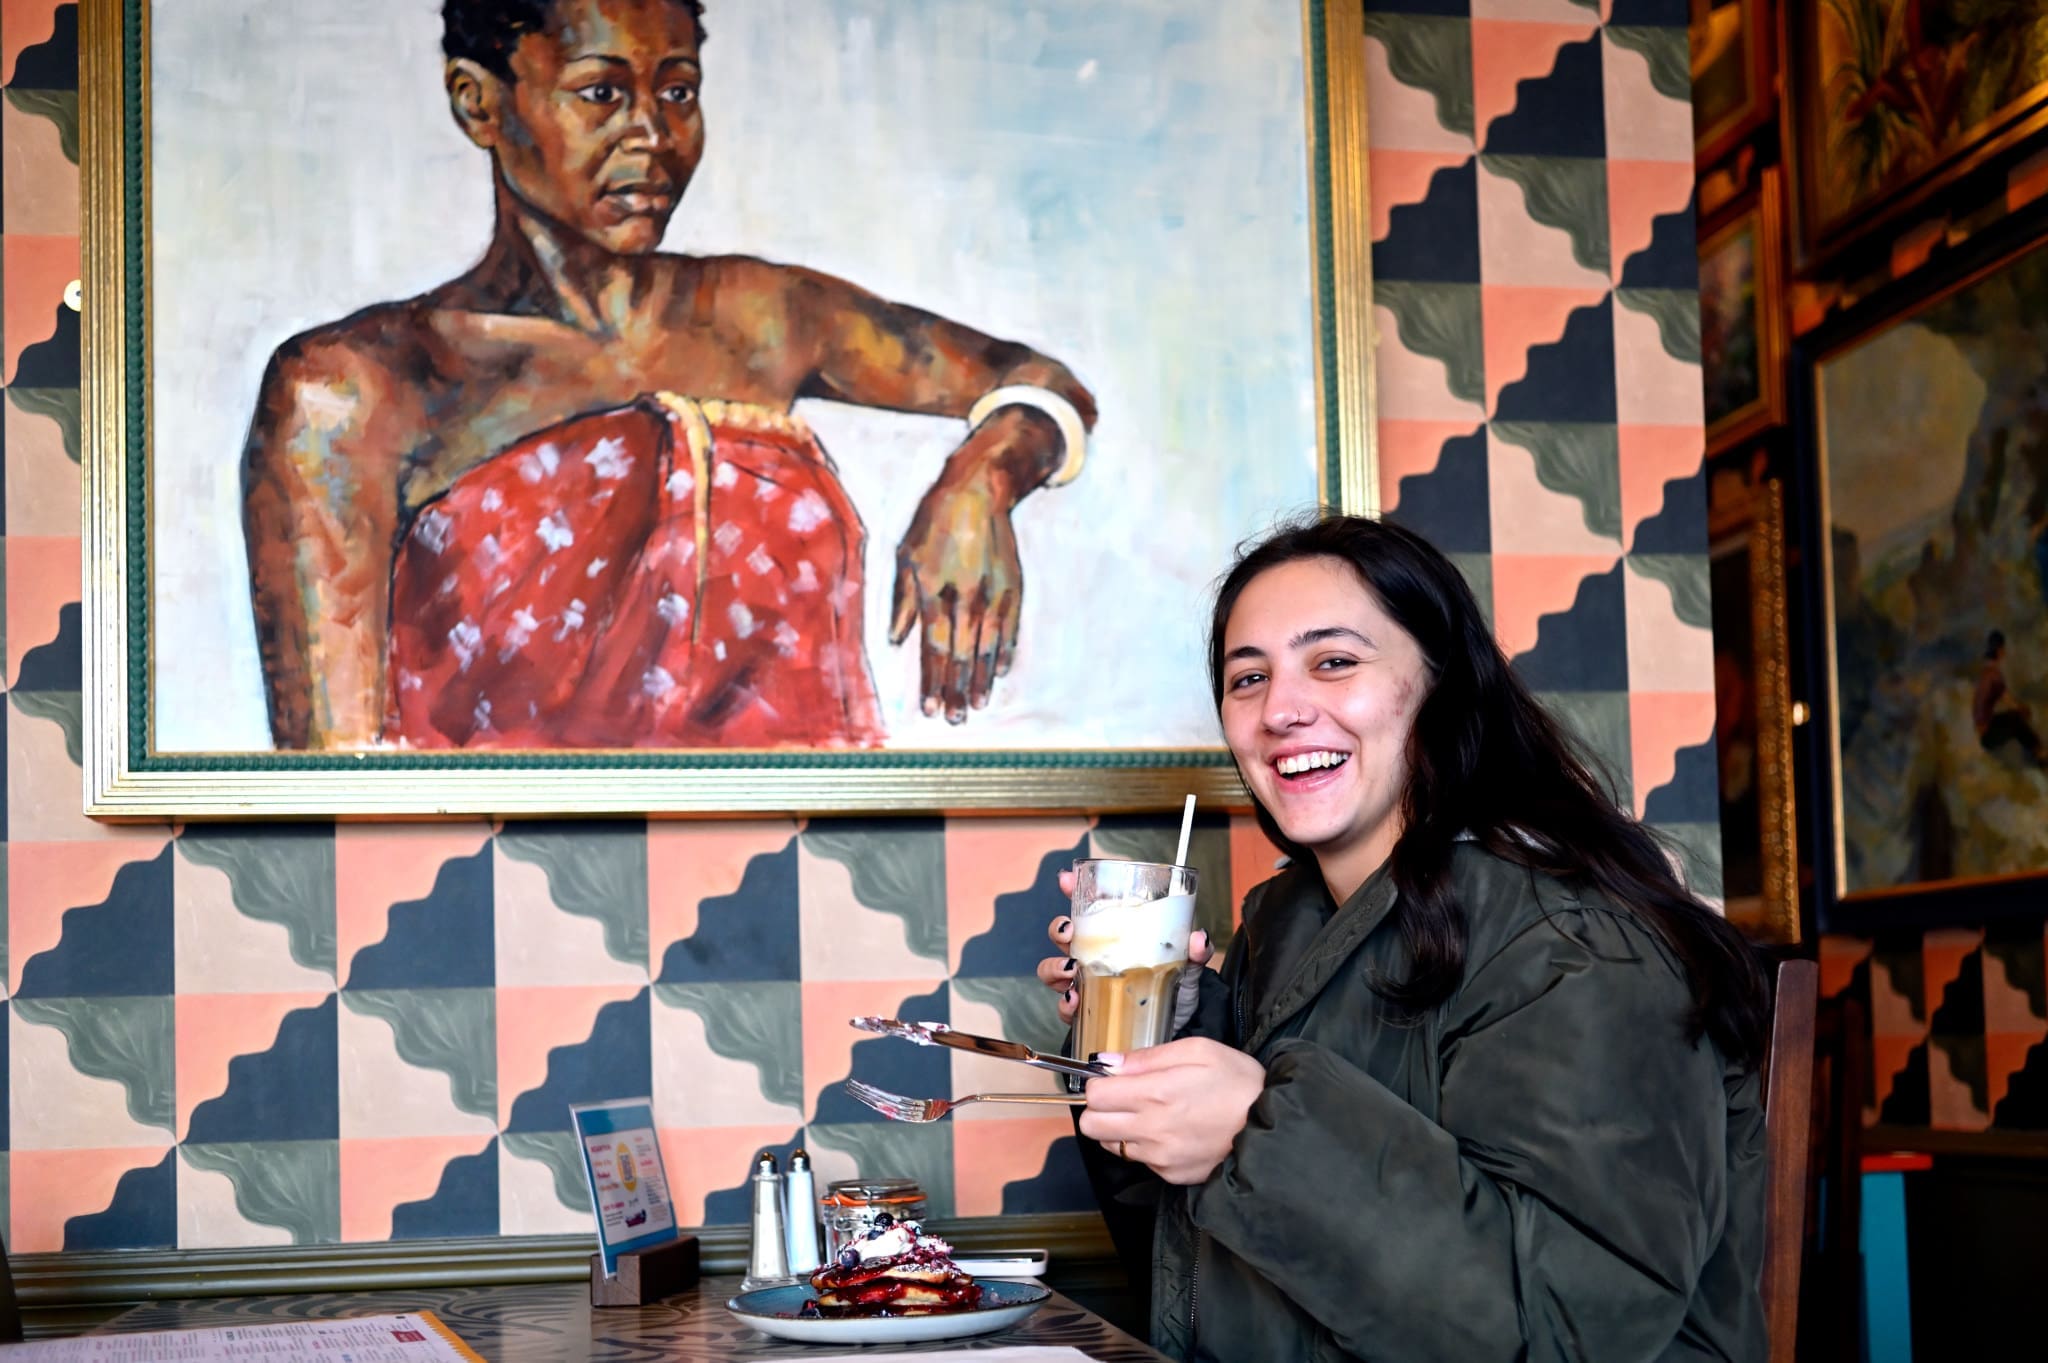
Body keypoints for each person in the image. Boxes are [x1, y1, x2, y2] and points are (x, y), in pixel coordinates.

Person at [241, 0, 1095, 751]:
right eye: (601, 92)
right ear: (478, 101)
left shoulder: (760, 316)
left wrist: (980, 479)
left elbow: (1041, 384)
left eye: (678, 91)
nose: (652, 135)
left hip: (802, 874)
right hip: (508, 896)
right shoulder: (356, 388)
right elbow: (334, 787)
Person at [1039, 513, 1770, 1361]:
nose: (1280, 709)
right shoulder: (1286, 924)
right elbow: (1211, 1285)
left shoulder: (1576, 942)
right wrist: (1162, 1047)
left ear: (1440, 683)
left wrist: (1257, 1130)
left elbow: (1572, 1332)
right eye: (1248, 679)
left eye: (1334, 661)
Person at [1974, 629, 2047, 768]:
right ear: (2000, 650)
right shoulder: (1994, 675)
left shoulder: (1985, 672)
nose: (2005, 652)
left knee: (2013, 718)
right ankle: (2040, 754)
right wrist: (2025, 709)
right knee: (2016, 718)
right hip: (1987, 736)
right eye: (2003, 649)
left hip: (1982, 731)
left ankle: (2035, 753)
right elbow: (2009, 701)